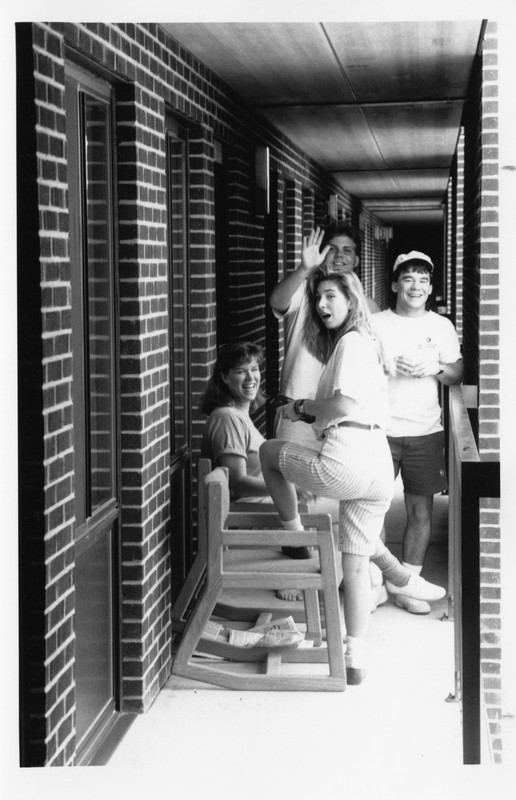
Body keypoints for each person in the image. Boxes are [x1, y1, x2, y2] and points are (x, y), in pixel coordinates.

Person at [260, 270, 446, 684]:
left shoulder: (349, 342)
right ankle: (356, 657)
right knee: (356, 560)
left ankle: (298, 541)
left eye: (330, 296)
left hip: (348, 457)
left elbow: (341, 404)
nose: (322, 305)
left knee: (269, 453)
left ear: (351, 298)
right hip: (378, 463)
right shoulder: (369, 341)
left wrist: (301, 408)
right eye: (318, 298)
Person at [371, 250, 464, 614]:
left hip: (425, 430)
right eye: (408, 278)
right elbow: (356, 364)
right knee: (371, 509)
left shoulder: (441, 326)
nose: (416, 286)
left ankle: (409, 584)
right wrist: (385, 364)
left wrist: (435, 366)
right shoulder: (376, 323)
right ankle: (375, 582)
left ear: (430, 287)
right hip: (379, 427)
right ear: (395, 284)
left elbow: (457, 373)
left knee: (420, 511)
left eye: (423, 279)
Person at [200, 341, 270, 503]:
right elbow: (238, 483)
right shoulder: (227, 418)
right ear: (225, 377)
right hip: (250, 513)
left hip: (267, 505)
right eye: (241, 371)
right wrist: (291, 489)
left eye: (254, 369)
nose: (251, 378)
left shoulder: (239, 415)